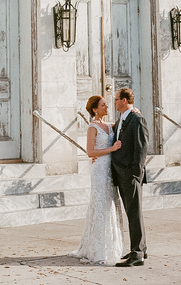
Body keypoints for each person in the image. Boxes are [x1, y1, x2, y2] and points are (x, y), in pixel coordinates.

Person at [69, 95, 125, 265]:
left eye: (107, 104)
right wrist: (111, 148)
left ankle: (113, 245)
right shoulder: (92, 128)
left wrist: (133, 110)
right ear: (95, 109)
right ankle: (98, 249)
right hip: (100, 169)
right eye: (103, 105)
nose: (107, 107)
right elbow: (90, 152)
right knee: (100, 204)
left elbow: (124, 122)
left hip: (111, 170)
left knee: (110, 204)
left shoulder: (110, 125)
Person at [111, 87, 149, 267]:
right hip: (120, 174)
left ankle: (138, 254)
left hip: (130, 174)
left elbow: (141, 148)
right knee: (131, 213)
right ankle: (141, 249)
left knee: (134, 214)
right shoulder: (121, 120)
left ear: (124, 100)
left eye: (116, 99)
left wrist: (135, 173)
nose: (114, 102)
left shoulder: (137, 119)